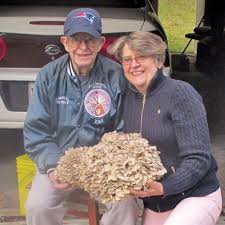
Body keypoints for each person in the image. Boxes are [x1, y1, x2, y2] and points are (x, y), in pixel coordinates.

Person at [23, 8, 140, 225]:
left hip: (104, 165)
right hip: (59, 162)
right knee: (37, 206)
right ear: (65, 42)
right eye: (76, 40)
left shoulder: (116, 76)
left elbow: (126, 128)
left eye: (90, 40)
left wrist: (107, 161)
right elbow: (35, 130)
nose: (83, 47)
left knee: (126, 206)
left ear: (101, 42)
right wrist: (54, 166)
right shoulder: (48, 76)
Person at [108, 31, 222, 225]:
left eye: (141, 56)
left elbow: (199, 158)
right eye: (127, 59)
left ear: (159, 60)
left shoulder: (180, 93)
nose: (133, 64)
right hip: (158, 202)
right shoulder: (127, 99)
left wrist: (165, 187)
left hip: (195, 195)